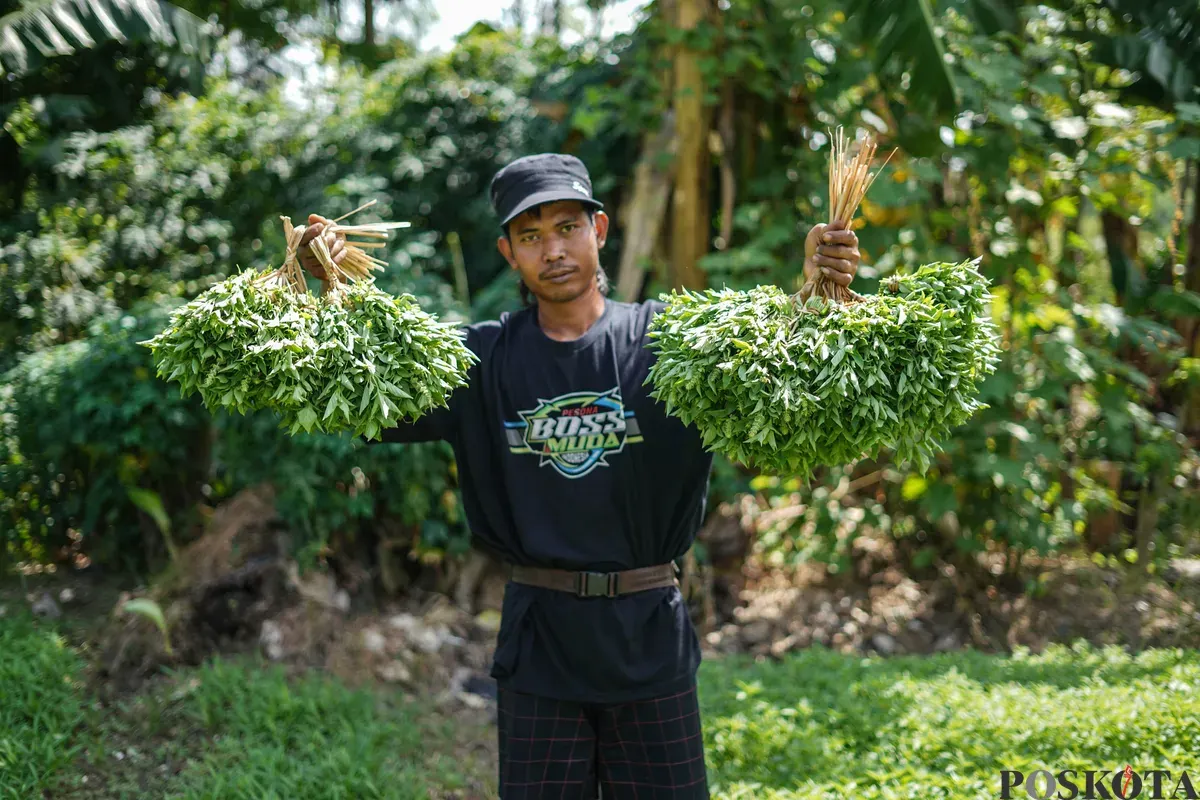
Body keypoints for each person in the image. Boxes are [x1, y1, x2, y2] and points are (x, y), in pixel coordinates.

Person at [298, 153, 861, 799]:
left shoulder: (670, 345)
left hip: (648, 640)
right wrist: (334, 290)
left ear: (599, 229)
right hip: (542, 647)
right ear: (508, 253)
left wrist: (814, 289)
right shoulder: (477, 362)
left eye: (567, 227)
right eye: (531, 236)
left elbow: (780, 371)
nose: (553, 249)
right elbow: (365, 386)